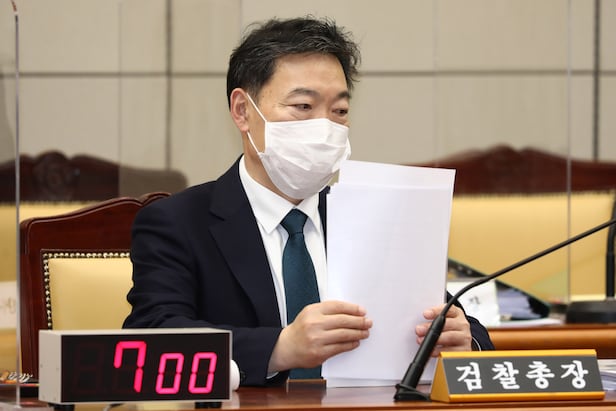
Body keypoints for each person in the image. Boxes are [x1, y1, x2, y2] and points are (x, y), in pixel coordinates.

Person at [123, 16, 494, 387]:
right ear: (242, 111)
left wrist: (464, 341)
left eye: (339, 111)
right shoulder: (178, 222)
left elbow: (461, 324)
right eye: (303, 106)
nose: (325, 127)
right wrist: (279, 348)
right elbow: (152, 336)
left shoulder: (374, 218)